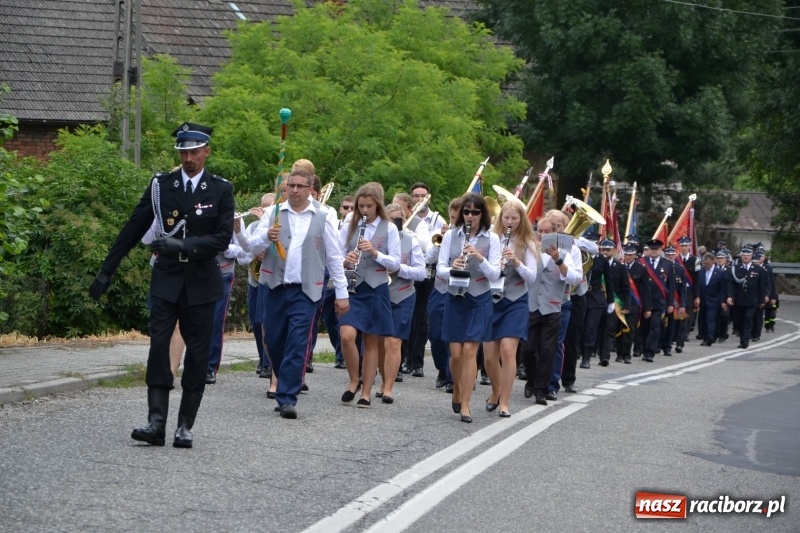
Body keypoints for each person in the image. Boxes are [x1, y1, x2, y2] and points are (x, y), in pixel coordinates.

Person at [89, 122, 234, 448]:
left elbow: (222, 238)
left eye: (194, 152)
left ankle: (184, 425)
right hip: (167, 278)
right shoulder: (161, 186)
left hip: (201, 280)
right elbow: (133, 227)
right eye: (183, 152)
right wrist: (107, 270)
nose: (188, 159)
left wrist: (182, 245)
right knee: (158, 347)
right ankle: (156, 423)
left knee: (197, 353)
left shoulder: (220, 189)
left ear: (206, 152)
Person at [242, 169, 350, 419]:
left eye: (300, 186)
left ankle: (287, 397)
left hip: (306, 290)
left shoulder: (323, 216)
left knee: (297, 342)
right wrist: (266, 237)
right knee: (273, 341)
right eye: (291, 185)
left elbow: (334, 256)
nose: (295, 190)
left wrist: (342, 292)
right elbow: (250, 247)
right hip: (274, 287)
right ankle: (284, 378)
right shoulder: (273, 213)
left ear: (311, 189)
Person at [436, 193, 501, 423]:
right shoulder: (451, 236)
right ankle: (457, 387)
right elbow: (440, 269)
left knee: (470, 351)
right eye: (466, 211)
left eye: (475, 212)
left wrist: (479, 258)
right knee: (455, 354)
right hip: (456, 297)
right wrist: (452, 268)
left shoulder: (492, 238)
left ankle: (466, 403)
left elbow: (495, 274)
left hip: (479, 298)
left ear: (482, 214)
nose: (470, 216)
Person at [339, 183, 401, 408]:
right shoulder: (349, 225)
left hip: (376, 288)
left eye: (369, 206)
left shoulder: (389, 228)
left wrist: (375, 253)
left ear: (378, 206)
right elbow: (335, 254)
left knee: (371, 341)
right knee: (346, 335)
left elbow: (395, 262)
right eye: (361, 206)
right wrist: (345, 260)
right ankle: (354, 379)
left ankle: (366, 392)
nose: (364, 210)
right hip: (353, 287)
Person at [483, 201, 537, 417]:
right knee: (489, 357)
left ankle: (504, 402)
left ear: (521, 220)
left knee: (507, 350)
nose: (510, 222)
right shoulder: (491, 238)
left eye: (514, 218)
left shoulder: (527, 242)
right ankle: (496, 391)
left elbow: (531, 277)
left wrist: (515, 261)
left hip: (515, 300)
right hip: (492, 299)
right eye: (506, 218)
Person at [521, 217, 581, 405]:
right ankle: (532, 379)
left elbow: (574, 278)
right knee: (528, 349)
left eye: (547, 232)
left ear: (555, 234)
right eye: (540, 231)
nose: (542, 235)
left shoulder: (566, 253)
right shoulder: (530, 250)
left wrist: (558, 260)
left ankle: (541, 389)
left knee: (548, 350)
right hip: (531, 305)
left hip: (553, 307)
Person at [377, 204, 426, 403]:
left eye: (399, 220)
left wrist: (399, 269)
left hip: (403, 295)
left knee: (394, 341)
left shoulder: (411, 241)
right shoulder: (377, 239)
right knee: (380, 343)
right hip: (380, 295)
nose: (395, 224)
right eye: (391, 220)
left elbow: (421, 273)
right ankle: (383, 381)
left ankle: (389, 387)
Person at [427, 198, 461, 393]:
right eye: (452, 218)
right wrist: (440, 241)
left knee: (455, 336)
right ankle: (442, 369)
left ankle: (453, 377)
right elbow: (429, 258)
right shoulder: (444, 235)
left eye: (457, 219)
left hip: (459, 290)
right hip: (440, 288)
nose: (454, 222)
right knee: (435, 334)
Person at [580, 233, 614, 369]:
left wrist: (611, 301)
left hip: (595, 297)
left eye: (593, 243)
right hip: (580, 295)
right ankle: (577, 352)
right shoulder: (579, 256)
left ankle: (586, 357)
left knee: (591, 328)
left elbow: (609, 281)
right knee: (579, 327)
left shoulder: (602, 260)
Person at [639, 239, 676, 362]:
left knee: (655, 327)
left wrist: (670, 303)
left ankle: (650, 352)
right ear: (648, 250)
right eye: (651, 249)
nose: (654, 251)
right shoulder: (641, 263)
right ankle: (644, 349)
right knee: (644, 327)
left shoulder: (668, 264)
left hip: (659, 301)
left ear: (660, 250)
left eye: (656, 249)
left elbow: (671, 286)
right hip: (644, 301)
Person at [725, 246, 768, 349]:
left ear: (751, 256)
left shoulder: (759, 270)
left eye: (748, 255)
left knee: (748, 318)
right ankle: (742, 339)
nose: (746, 257)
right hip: (738, 300)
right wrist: (729, 296)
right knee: (739, 320)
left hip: (752, 300)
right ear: (741, 256)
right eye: (744, 255)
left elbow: (762, 286)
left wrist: (762, 300)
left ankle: (745, 340)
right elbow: (730, 284)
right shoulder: (735, 269)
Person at [598, 239, 630, 365]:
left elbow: (626, 287)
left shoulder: (620, 267)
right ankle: (601, 354)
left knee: (609, 330)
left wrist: (626, 305)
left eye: (608, 250)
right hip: (599, 302)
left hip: (615, 304)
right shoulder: (596, 264)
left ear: (614, 251)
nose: (605, 252)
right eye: (603, 250)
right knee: (600, 330)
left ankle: (605, 357)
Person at [617, 244, 651, 363]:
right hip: (619, 302)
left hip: (634, 303)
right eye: (626, 254)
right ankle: (619, 353)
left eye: (630, 255)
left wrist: (647, 308)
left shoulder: (641, 268)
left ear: (635, 256)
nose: (628, 257)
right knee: (618, 328)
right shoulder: (619, 266)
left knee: (630, 330)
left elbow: (646, 290)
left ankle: (626, 354)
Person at [661, 246, 687, 357]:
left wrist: (683, 304)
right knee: (660, 324)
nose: (670, 257)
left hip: (674, 301)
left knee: (672, 325)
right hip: (662, 299)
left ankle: (667, 347)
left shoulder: (679, 268)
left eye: (672, 255)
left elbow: (683, 288)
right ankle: (658, 344)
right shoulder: (661, 266)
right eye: (668, 255)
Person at [696, 252, 727, 346]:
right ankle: (705, 338)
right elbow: (697, 286)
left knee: (711, 318)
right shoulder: (700, 271)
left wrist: (723, 301)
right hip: (702, 300)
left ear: (713, 262)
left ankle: (710, 336)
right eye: (704, 263)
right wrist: (697, 297)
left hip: (714, 300)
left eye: (708, 263)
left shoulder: (720, 272)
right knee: (703, 319)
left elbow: (723, 289)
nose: (706, 265)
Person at [674, 236, 699, 352]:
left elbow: (697, 280)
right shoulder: (675, 260)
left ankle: (681, 341)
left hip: (689, 292)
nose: (684, 248)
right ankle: (674, 337)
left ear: (689, 246)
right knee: (675, 317)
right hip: (676, 292)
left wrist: (697, 296)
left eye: (686, 246)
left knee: (685, 317)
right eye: (682, 246)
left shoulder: (695, 260)